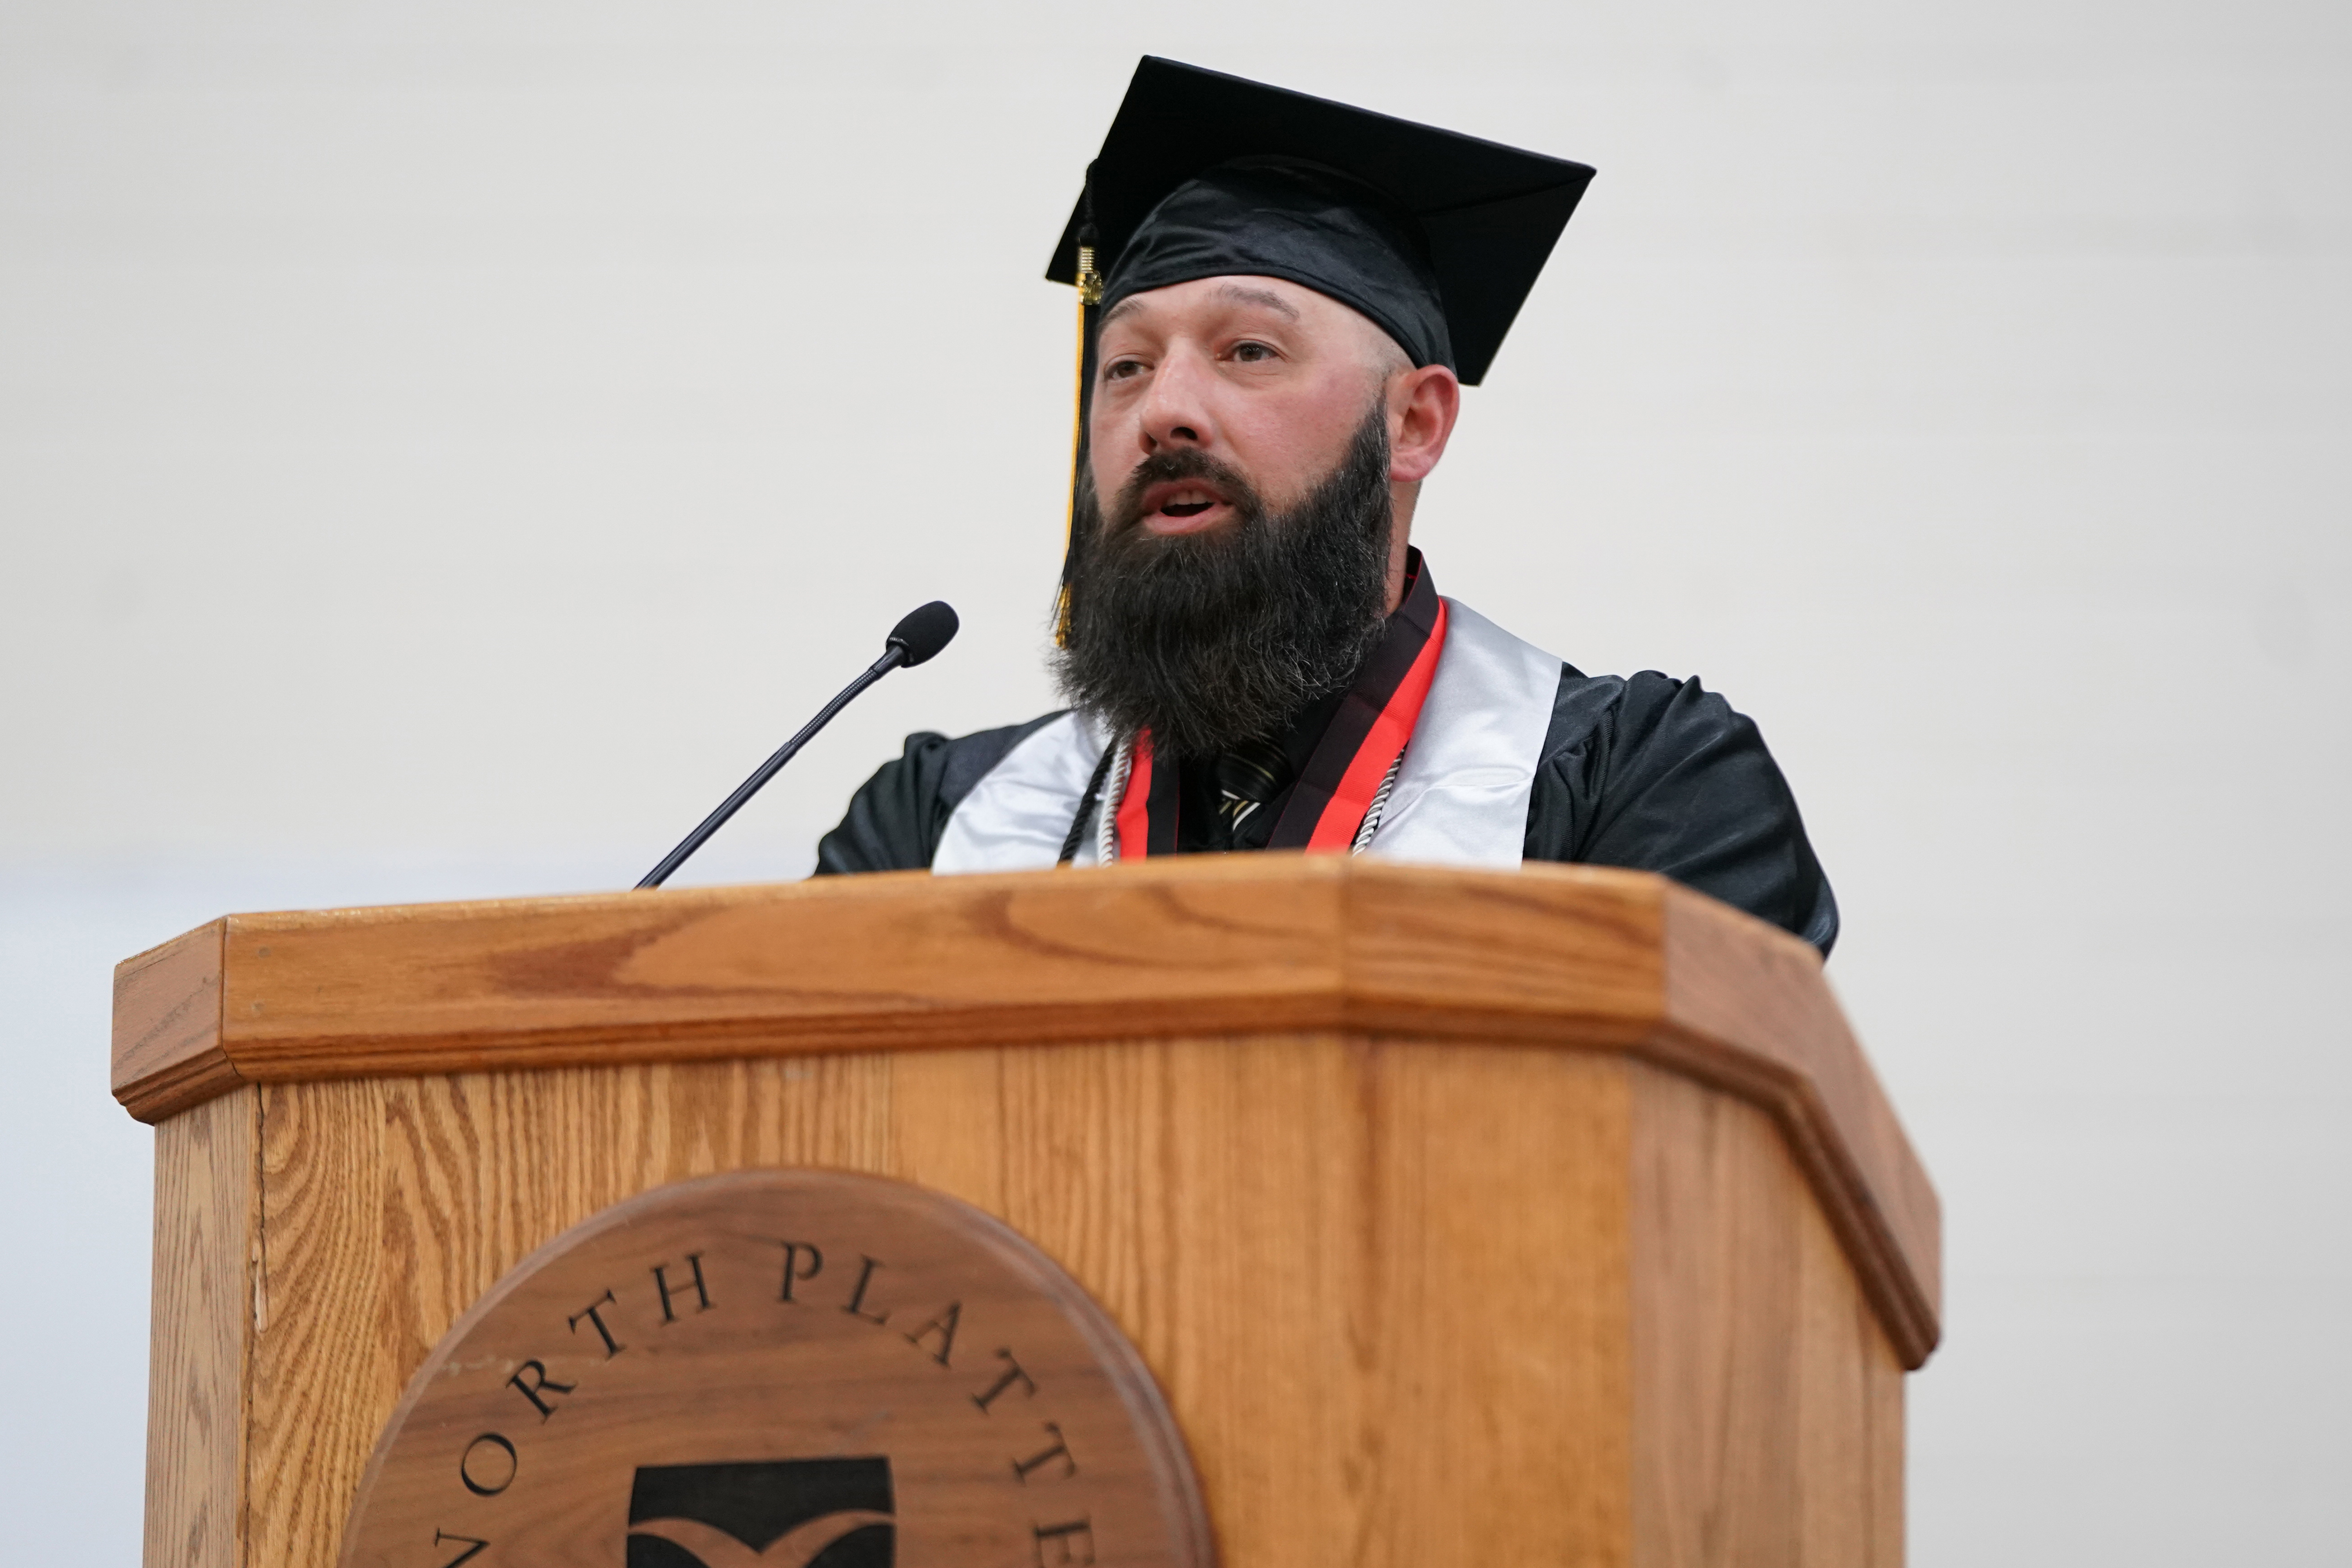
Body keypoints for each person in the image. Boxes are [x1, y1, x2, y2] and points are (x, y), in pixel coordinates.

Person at [816, 58, 1838, 955]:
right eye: (1124, 366)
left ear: (1416, 425)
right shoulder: (936, 829)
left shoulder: (1633, 791)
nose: (1162, 407)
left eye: (1247, 351)